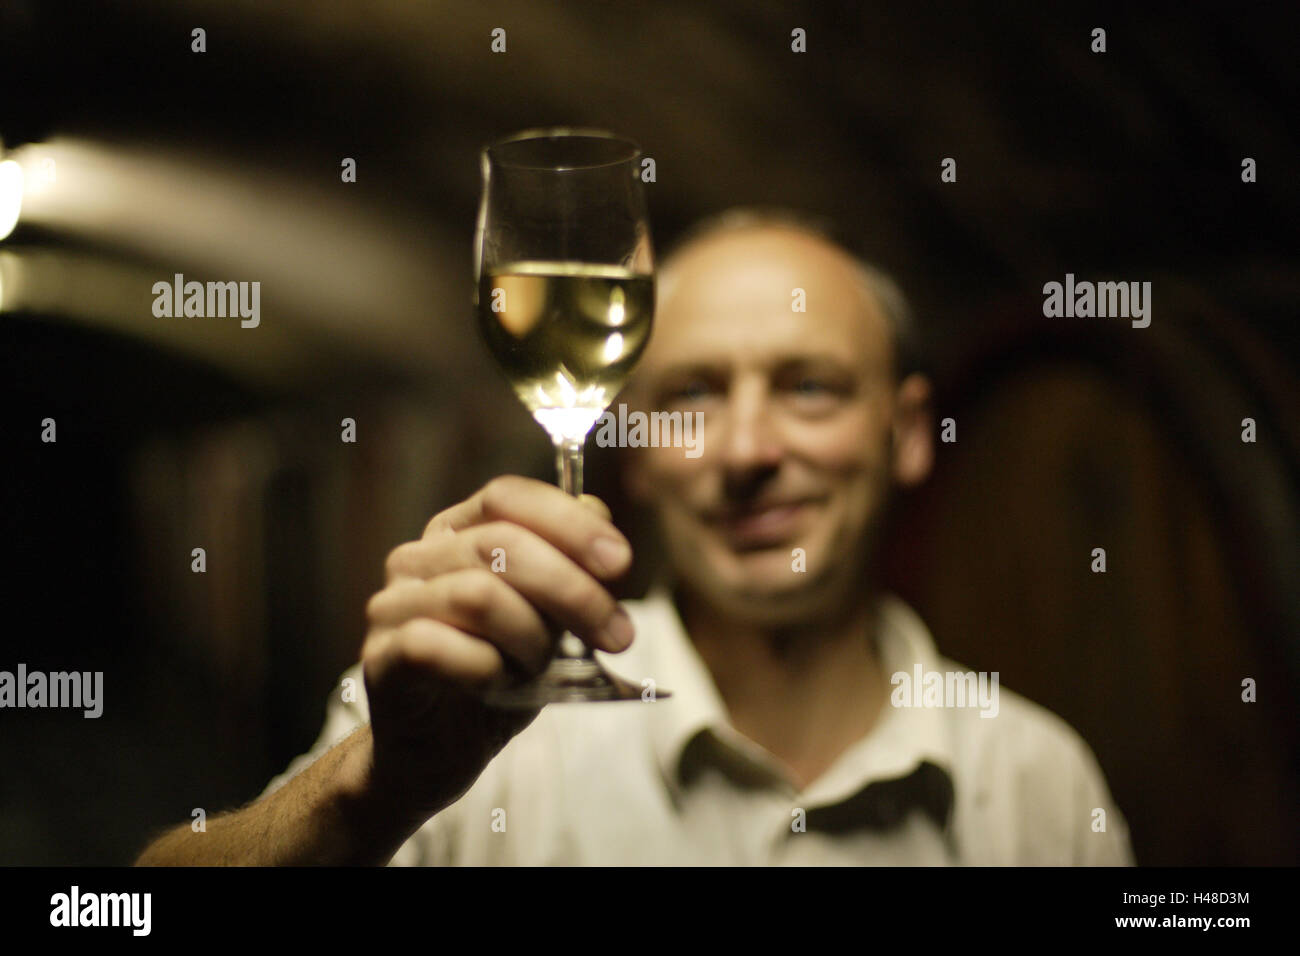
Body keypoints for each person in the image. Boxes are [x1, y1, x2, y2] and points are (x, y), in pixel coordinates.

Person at [135, 209, 1135, 866]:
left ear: (909, 432)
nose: (746, 447)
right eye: (692, 395)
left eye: (810, 387)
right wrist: (367, 791)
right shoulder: (472, 714)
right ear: (638, 452)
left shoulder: (1037, 780)